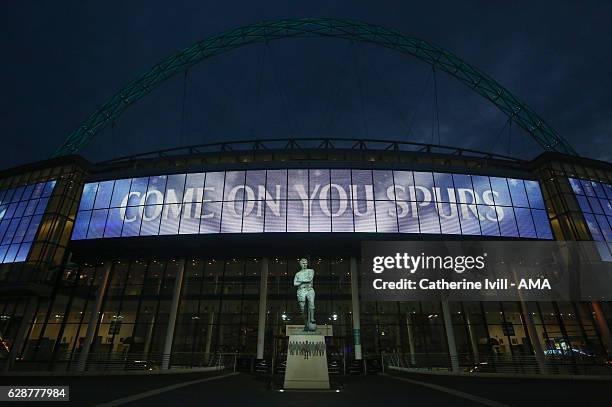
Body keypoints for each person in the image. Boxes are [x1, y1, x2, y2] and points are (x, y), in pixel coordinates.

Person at [294, 257, 316, 331]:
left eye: (306, 263)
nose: (305, 264)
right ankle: (306, 324)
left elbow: (309, 279)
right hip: (301, 291)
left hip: (309, 289)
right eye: (303, 263)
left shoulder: (311, 271)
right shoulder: (298, 273)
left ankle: (312, 318)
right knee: (302, 309)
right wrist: (303, 281)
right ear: (300, 264)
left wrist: (300, 281)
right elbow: (294, 283)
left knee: (311, 302)